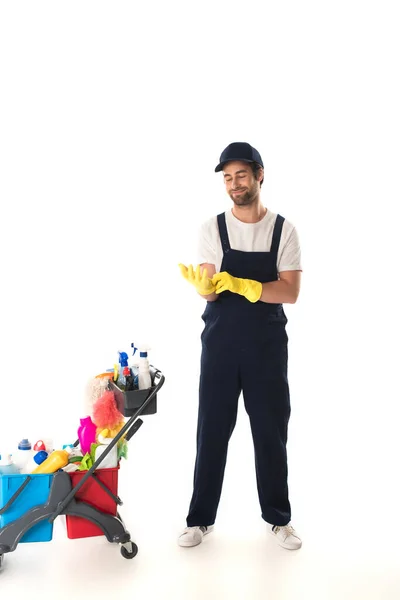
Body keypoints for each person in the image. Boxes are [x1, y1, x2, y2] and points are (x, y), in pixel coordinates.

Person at [178, 142, 302, 550]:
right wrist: (205, 289)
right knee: (211, 431)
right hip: (221, 347)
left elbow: (290, 291)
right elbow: (211, 290)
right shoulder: (211, 229)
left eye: (241, 176)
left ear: (259, 175)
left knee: (271, 433)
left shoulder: (284, 230)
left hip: (267, 350)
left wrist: (249, 286)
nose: (233, 185)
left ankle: (279, 520)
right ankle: (199, 520)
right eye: (227, 178)